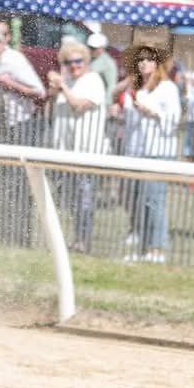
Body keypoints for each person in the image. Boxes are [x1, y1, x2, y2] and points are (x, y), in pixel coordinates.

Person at [120, 45, 181, 263]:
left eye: (148, 59)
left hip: (158, 152)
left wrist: (153, 112)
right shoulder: (137, 89)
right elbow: (129, 124)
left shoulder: (168, 88)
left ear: (157, 63)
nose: (143, 63)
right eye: (140, 60)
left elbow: (174, 121)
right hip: (137, 152)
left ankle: (158, 248)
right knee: (138, 202)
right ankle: (144, 245)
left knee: (155, 202)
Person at [47, 40, 107, 252]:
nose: (74, 65)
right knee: (71, 201)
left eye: (78, 61)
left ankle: (84, 241)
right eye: (68, 62)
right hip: (65, 152)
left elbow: (80, 106)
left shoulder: (93, 80)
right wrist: (55, 86)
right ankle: (77, 239)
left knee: (85, 201)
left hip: (86, 152)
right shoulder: (69, 81)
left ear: (86, 60)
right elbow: (49, 103)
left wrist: (62, 86)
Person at [86, 31, 118, 100]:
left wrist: (108, 103)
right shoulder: (93, 58)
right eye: (90, 47)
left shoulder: (106, 61)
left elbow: (111, 85)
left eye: (94, 48)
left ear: (102, 48)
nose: (92, 50)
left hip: (100, 101)